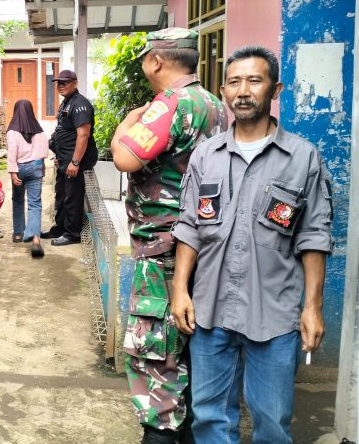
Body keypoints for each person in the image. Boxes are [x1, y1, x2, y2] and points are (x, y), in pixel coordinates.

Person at [170, 46, 333, 444]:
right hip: (210, 309)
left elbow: (313, 236)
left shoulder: (302, 158)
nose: (243, 91)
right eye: (235, 82)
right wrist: (179, 289)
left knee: (273, 422)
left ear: (275, 89)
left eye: (255, 81)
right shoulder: (206, 155)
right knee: (209, 417)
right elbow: (190, 224)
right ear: (224, 91)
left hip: (274, 314)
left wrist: (312, 308)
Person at [110, 27, 228, 444]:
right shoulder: (214, 104)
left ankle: (161, 431)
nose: (144, 65)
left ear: (157, 61)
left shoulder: (170, 105)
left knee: (154, 344)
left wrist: (125, 124)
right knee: (192, 338)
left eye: (145, 58)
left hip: (162, 243)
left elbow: (124, 157)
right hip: (201, 243)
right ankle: (191, 426)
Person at [41, 70, 97, 246]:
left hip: (76, 161)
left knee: (73, 196)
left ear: (75, 83)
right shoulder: (67, 103)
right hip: (65, 159)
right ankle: (60, 228)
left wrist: (75, 162)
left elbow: (83, 135)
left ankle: (72, 234)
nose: (61, 86)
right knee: (62, 194)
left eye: (65, 82)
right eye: (59, 83)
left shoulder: (80, 104)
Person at [7, 99, 50, 258]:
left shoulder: (13, 131)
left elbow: (12, 151)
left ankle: (18, 233)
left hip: (19, 168)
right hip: (37, 167)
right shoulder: (39, 131)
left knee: (18, 200)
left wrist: (12, 171)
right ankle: (36, 240)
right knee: (35, 203)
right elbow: (45, 152)